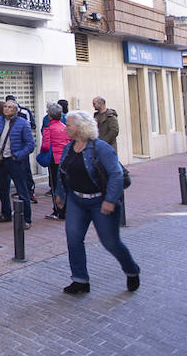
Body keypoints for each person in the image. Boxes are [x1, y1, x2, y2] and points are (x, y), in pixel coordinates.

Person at [55, 111, 140, 295]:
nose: (65, 128)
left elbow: (116, 174)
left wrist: (110, 200)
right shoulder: (69, 148)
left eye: (68, 124)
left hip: (99, 202)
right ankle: (80, 280)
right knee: (73, 240)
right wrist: (60, 194)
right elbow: (61, 172)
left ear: (80, 127)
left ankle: (131, 270)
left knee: (110, 242)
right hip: (77, 201)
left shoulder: (100, 148)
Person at [0, 100, 35, 229]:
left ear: (15, 110)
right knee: (3, 188)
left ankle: (27, 219)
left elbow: (30, 144)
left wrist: (18, 155)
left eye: (10, 107)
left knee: (22, 190)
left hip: (15, 161)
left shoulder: (23, 123)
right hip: (0, 160)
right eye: (5, 106)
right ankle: (6, 213)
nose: (6, 109)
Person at [40, 102, 70, 220]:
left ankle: (58, 210)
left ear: (50, 116)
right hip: (65, 159)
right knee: (64, 185)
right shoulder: (65, 127)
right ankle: (66, 209)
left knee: (55, 186)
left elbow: (45, 146)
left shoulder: (49, 129)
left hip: (54, 160)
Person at [6, 94, 37, 203]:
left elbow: (33, 125)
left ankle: (30, 193)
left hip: (22, 148)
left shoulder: (24, 112)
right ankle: (20, 190)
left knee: (25, 169)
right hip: (9, 149)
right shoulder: (4, 116)